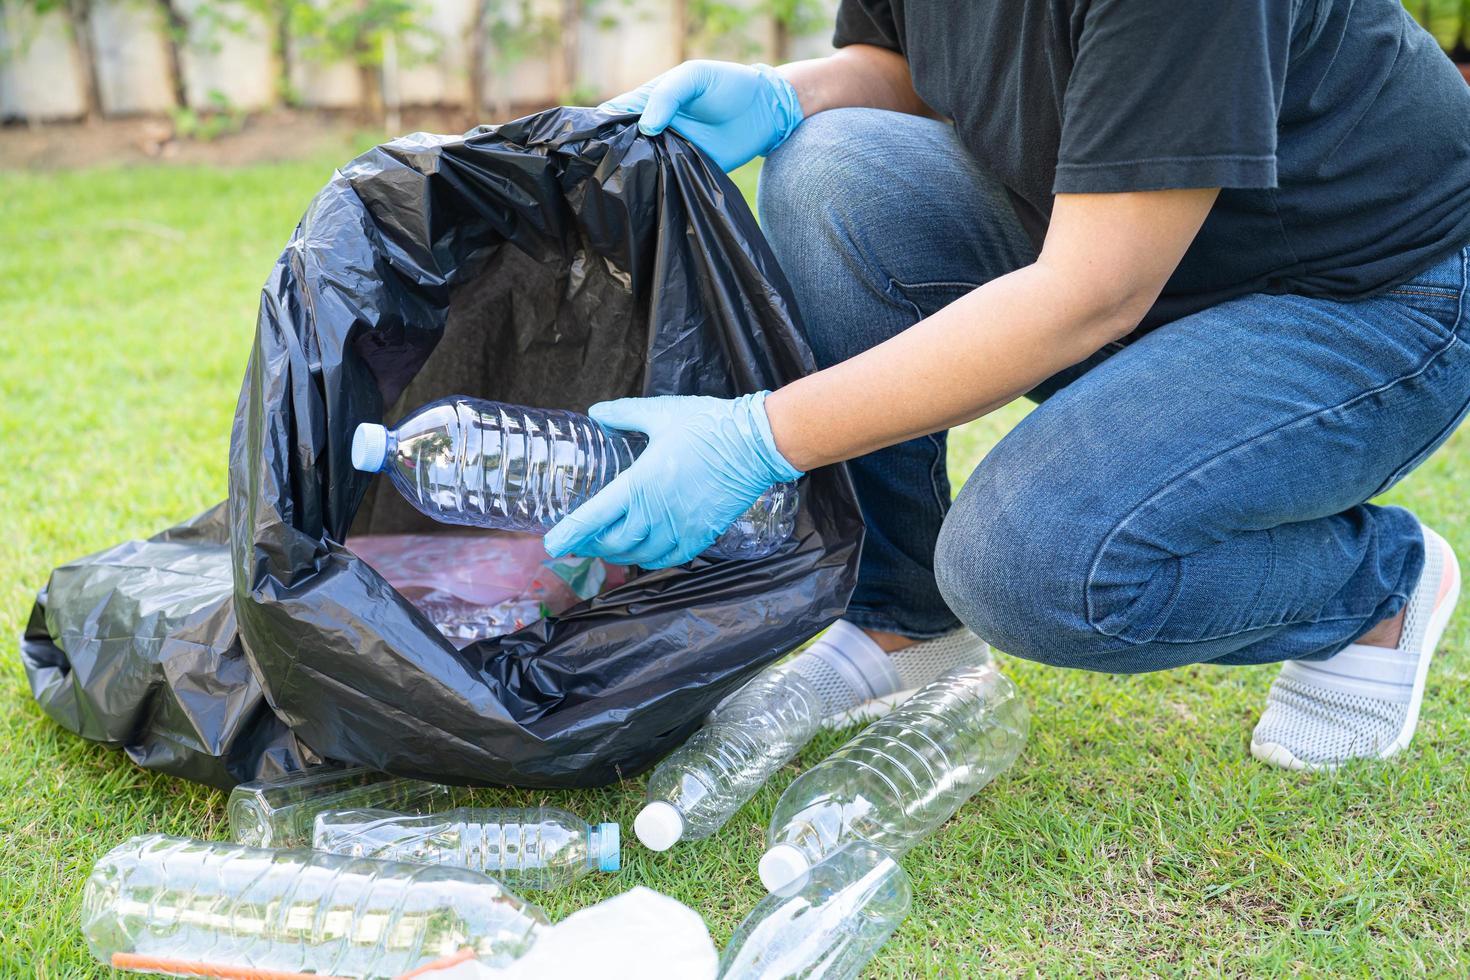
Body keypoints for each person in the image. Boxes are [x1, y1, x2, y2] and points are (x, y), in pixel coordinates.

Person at [544, 0, 1470, 771]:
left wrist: (758, 438)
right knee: (832, 165)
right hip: (1136, 248)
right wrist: (793, 94)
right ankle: (902, 622)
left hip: (1368, 292)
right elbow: (911, 65)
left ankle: (1377, 590)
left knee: (1030, 562)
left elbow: (1091, 294)